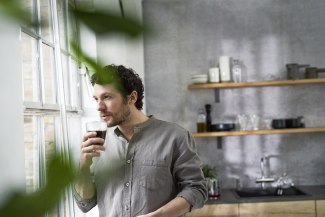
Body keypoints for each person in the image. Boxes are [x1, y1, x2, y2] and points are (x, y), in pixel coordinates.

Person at [73, 64, 207, 217]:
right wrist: (83, 165)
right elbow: (85, 204)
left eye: (107, 97)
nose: (99, 106)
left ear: (132, 97)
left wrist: (159, 216)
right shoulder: (97, 143)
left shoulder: (175, 137)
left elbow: (197, 190)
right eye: (96, 99)